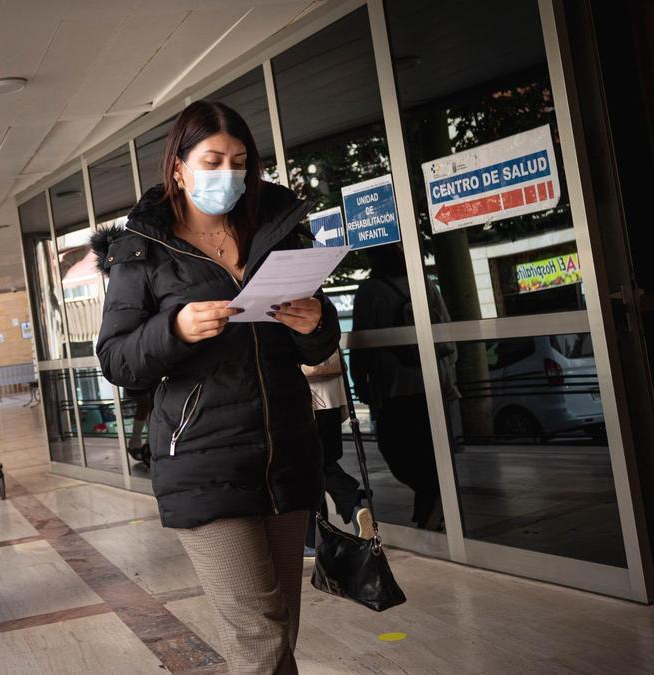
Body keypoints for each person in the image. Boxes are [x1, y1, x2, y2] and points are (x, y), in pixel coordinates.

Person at [93, 100, 339, 674]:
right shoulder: (143, 251)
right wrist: (173, 330)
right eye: (212, 160)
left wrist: (316, 323)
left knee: (280, 625)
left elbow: (316, 345)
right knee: (259, 629)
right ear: (178, 167)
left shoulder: (277, 231)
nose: (227, 173)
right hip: (201, 457)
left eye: (239, 161)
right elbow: (116, 359)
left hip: (286, 450)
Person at [349, 244, 456, 530]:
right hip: (432, 382)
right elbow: (445, 329)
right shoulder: (425, 285)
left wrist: (360, 381)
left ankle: (430, 495)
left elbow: (361, 343)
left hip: (396, 387)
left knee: (395, 448)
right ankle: (430, 499)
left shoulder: (371, 290)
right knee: (428, 449)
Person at [301, 349, 371, 558]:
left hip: (307, 401)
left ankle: (317, 538)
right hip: (331, 398)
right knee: (323, 463)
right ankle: (317, 537)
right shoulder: (325, 318)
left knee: (308, 467)